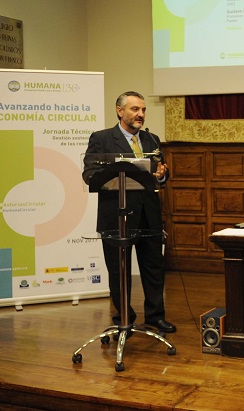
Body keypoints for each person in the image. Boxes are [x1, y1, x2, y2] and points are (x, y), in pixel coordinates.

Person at [82, 91, 175, 334]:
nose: (141, 115)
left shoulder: (151, 139)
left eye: (143, 110)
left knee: (154, 268)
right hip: (116, 217)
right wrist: (112, 175)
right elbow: (89, 174)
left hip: (149, 216)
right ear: (119, 111)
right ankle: (125, 316)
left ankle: (155, 316)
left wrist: (161, 175)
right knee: (118, 270)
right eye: (135, 109)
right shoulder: (102, 139)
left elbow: (161, 175)